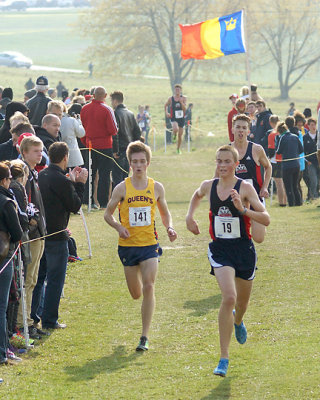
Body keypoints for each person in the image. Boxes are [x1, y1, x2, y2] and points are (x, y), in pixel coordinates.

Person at [186, 145, 270, 377]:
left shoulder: (245, 187)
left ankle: (239, 320)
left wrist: (243, 210)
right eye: (218, 161)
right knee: (229, 297)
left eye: (226, 162)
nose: (222, 166)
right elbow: (197, 195)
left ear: (235, 164)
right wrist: (189, 216)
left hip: (243, 250)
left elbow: (265, 217)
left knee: (241, 304)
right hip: (220, 250)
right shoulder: (209, 185)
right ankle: (224, 358)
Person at [104, 141, 177, 351]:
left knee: (149, 286)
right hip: (128, 247)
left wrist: (170, 228)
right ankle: (143, 331)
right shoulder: (121, 188)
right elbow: (107, 215)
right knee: (136, 294)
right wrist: (119, 228)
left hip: (149, 245)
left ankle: (144, 336)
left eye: (142, 162)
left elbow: (165, 214)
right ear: (129, 164)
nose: (138, 165)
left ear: (148, 163)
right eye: (135, 162)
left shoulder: (156, 187)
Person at [38, 142, 88, 329]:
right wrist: (80, 184)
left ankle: (36, 317)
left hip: (42, 235)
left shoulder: (42, 175)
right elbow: (74, 205)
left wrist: (72, 182)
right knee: (55, 280)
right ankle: (50, 320)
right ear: (65, 157)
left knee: (39, 278)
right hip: (57, 236)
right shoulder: (62, 180)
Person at [16, 136, 47, 339]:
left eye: (41, 150)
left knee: (34, 279)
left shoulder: (34, 173)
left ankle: (28, 321)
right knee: (28, 279)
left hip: (40, 233)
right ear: (25, 152)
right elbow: (25, 205)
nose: (40, 154)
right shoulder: (23, 173)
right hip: (32, 236)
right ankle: (22, 323)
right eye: (36, 151)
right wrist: (33, 224)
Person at [231, 114, 271, 243]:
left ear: (248, 131)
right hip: (235, 198)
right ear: (233, 129)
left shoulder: (256, 149)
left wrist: (264, 187)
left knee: (258, 238)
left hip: (255, 198)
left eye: (244, 128)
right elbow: (219, 174)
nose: (241, 131)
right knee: (238, 236)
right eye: (238, 127)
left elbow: (268, 167)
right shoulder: (227, 151)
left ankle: (257, 224)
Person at [0, 163, 23, 365]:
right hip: (4, 258)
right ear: (4, 181)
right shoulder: (6, 202)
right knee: (1, 307)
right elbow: (17, 233)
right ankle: (2, 351)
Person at [80, 86, 118, 209]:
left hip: (89, 145)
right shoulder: (107, 109)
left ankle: (88, 200)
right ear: (105, 96)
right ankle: (102, 202)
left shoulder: (84, 108)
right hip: (105, 146)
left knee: (90, 173)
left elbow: (83, 128)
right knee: (104, 175)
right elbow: (113, 129)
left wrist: (85, 141)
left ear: (93, 95)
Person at [110, 91, 141, 187]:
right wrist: (135, 148)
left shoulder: (115, 113)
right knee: (126, 178)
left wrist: (115, 150)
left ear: (115, 101)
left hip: (119, 151)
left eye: (111, 101)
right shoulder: (130, 113)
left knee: (117, 179)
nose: (111, 103)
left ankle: (119, 200)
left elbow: (115, 134)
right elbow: (137, 132)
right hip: (129, 150)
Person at [276, 122, 303, 206]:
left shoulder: (282, 138)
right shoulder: (295, 137)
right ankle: (298, 203)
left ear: (279, 131)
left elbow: (279, 151)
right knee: (295, 186)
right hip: (296, 164)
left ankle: (291, 204)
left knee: (288, 186)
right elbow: (301, 150)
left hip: (287, 166)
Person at [267, 115, 287, 206]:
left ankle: (281, 203)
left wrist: (269, 158)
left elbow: (271, 150)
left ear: (271, 123)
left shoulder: (272, 135)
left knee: (279, 183)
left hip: (276, 160)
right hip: (286, 160)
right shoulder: (286, 133)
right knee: (285, 182)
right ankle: (286, 201)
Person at [164, 84, 187, 154]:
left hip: (181, 118)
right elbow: (165, 105)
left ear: (181, 90)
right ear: (174, 90)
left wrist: (181, 102)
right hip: (173, 117)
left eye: (178, 89)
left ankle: (178, 149)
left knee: (180, 135)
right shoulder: (171, 99)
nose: (177, 91)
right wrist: (166, 112)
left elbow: (185, 109)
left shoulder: (183, 98)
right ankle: (174, 135)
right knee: (175, 129)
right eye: (176, 89)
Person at [303, 118, 319, 200]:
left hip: (319, 161)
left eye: (314, 124)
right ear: (308, 126)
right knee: (314, 180)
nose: (313, 126)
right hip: (310, 163)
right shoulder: (305, 137)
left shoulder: (319, 135)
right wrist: (307, 161)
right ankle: (313, 197)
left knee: (318, 181)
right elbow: (302, 151)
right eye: (311, 125)